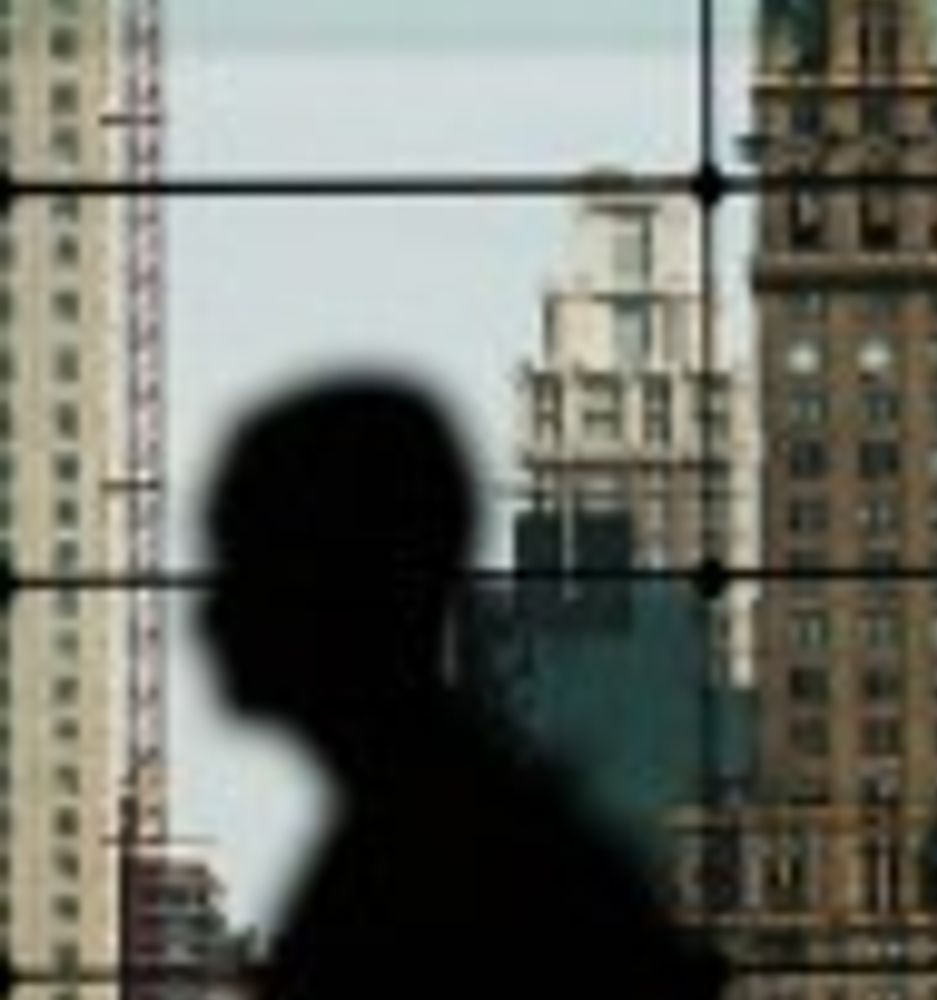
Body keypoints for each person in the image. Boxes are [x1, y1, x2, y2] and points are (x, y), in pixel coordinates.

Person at [200, 377, 726, 999]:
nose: (211, 611)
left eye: (244, 563)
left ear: (344, 587)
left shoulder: (434, 876)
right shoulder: (478, 846)